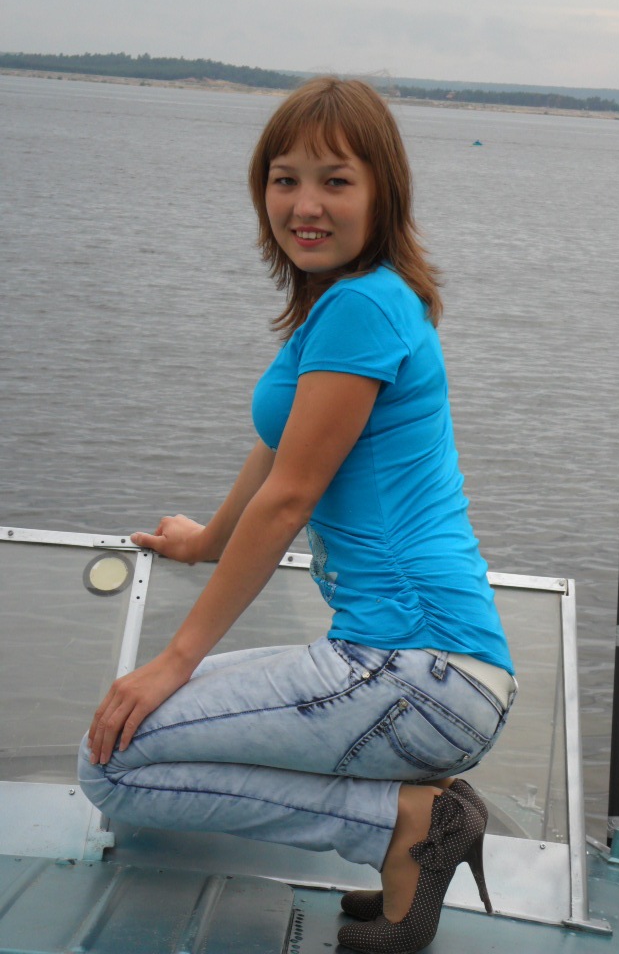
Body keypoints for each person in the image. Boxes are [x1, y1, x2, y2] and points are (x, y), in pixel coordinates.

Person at [79, 77, 516, 954]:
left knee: (113, 761)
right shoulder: (350, 300)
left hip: (412, 671)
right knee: (131, 735)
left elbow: (290, 497)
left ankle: (409, 824)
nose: (304, 205)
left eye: (335, 181)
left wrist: (174, 659)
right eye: (285, 179)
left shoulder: (361, 306)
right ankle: (411, 823)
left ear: (382, 192)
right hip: (423, 668)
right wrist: (206, 541)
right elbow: (282, 449)